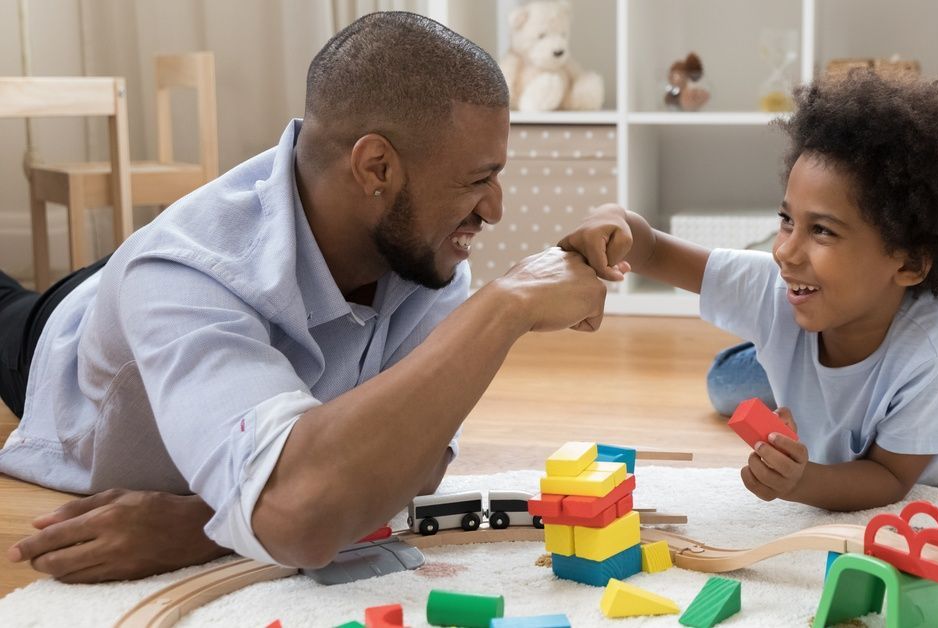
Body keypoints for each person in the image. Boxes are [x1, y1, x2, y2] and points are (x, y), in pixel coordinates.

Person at [0, 11, 614, 583]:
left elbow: (415, 463)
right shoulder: (180, 276)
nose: (496, 209)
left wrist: (200, 526)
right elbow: (298, 515)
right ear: (375, 168)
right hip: (65, 332)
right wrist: (506, 306)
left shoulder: (425, 255)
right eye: (479, 179)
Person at [560, 72, 938, 512]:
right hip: (866, 314)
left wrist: (802, 481)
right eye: (786, 220)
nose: (786, 252)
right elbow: (653, 251)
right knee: (722, 384)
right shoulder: (784, 283)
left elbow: (889, 477)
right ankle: (792, 357)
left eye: (822, 231)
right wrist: (613, 220)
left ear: (908, 261)